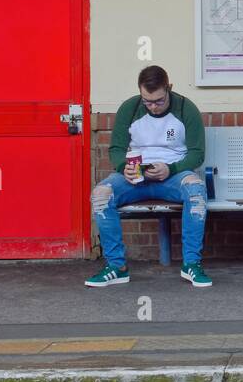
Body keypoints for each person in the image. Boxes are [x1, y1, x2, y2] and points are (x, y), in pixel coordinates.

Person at [87, 65, 210, 288]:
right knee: (101, 194)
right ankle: (116, 267)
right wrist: (123, 166)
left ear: (169, 88)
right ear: (140, 92)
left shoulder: (186, 108)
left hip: (174, 173)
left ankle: (192, 264)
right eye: (147, 101)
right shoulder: (130, 108)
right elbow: (116, 148)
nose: (153, 107)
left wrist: (171, 169)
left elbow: (197, 153)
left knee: (197, 192)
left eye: (159, 101)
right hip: (135, 176)